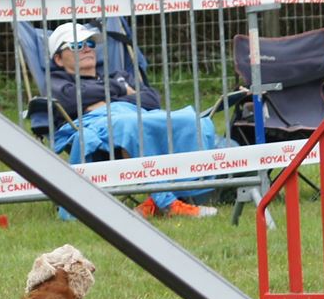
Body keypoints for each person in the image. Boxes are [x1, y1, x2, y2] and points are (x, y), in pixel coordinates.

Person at [46, 22, 218, 219]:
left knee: (190, 120)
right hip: (103, 125)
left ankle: (157, 201)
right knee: (127, 125)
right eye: (76, 45)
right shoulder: (57, 82)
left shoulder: (117, 75)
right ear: (59, 59)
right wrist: (121, 90)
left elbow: (151, 99)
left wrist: (106, 99)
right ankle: (168, 204)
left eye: (90, 44)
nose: (87, 49)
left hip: (137, 117)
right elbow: (70, 98)